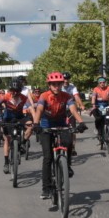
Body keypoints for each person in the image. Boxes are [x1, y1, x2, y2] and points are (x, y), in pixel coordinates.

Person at [33, 72, 87, 200]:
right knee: (47, 157)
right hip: (46, 125)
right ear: (49, 85)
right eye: (54, 84)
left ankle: (66, 165)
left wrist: (81, 122)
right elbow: (39, 110)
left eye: (59, 84)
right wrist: (36, 124)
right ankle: (46, 188)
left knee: (68, 143)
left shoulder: (67, 96)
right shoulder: (44, 96)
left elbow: (73, 110)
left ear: (62, 84)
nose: (56, 87)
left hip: (61, 124)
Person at [0, 79, 35, 174]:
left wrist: (36, 121)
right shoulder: (6, 97)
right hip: (8, 119)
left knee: (31, 126)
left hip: (19, 117)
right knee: (7, 139)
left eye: (16, 91)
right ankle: (6, 163)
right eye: (12, 90)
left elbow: (31, 108)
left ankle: (22, 143)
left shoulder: (23, 98)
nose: (14, 93)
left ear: (19, 91)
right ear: (9, 90)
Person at [62, 72, 85, 156]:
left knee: (73, 130)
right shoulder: (59, 86)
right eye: (64, 79)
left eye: (67, 79)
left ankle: (73, 148)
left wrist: (81, 105)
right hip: (60, 110)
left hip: (71, 110)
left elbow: (76, 97)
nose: (65, 80)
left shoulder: (72, 87)